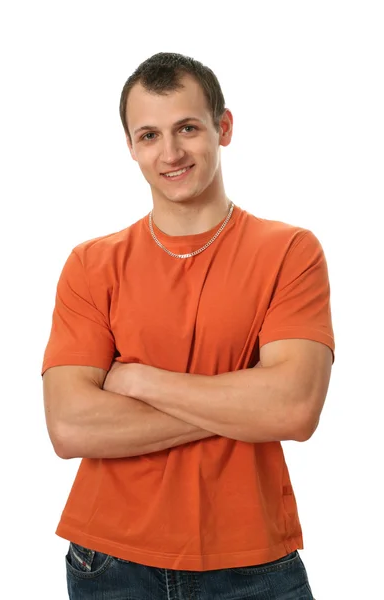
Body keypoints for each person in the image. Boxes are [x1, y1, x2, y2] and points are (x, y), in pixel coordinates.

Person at [42, 51, 333, 600]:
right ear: (130, 146)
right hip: (108, 559)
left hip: (252, 562)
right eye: (149, 135)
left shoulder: (290, 252)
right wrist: (243, 404)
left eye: (188, 128)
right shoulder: (90, 264)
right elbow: (70, 428)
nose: (170, 153)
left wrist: (141, 380)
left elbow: (294, 410)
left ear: (223, 128)